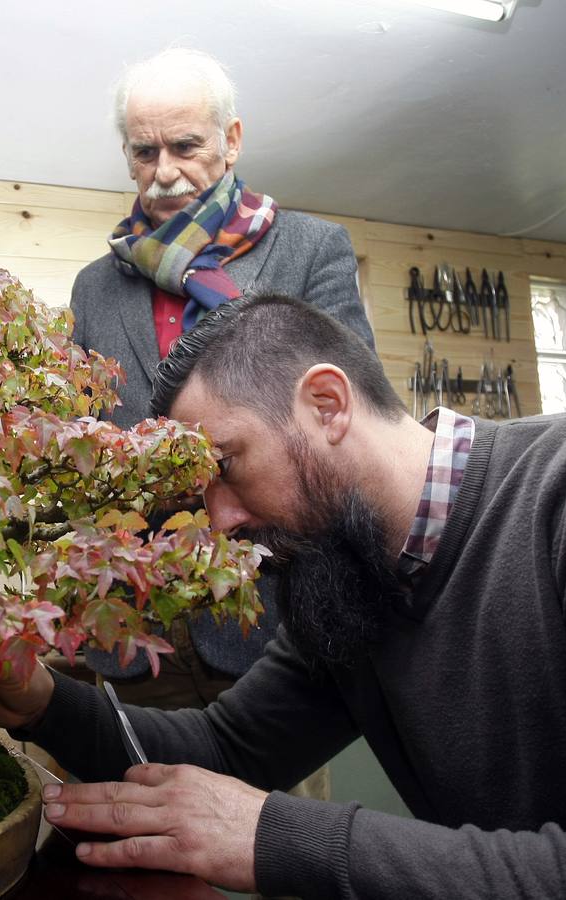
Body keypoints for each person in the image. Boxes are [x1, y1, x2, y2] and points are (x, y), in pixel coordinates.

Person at [0, 294, 566, 898]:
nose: (217, 522)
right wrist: (40, 702)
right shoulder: (345, 576)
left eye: (225, 466)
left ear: (327, 403)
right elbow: (227, 750)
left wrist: (274, 838)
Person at [70, 47, 374, 706]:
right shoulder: (94, 287)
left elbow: (354, 418)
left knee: (263, 810)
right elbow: (76, 439)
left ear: (231, 141)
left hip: (273, 624)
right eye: (144, 152)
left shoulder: (310, 252)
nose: (165, 172)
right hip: (132, 632)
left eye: (185, 146)